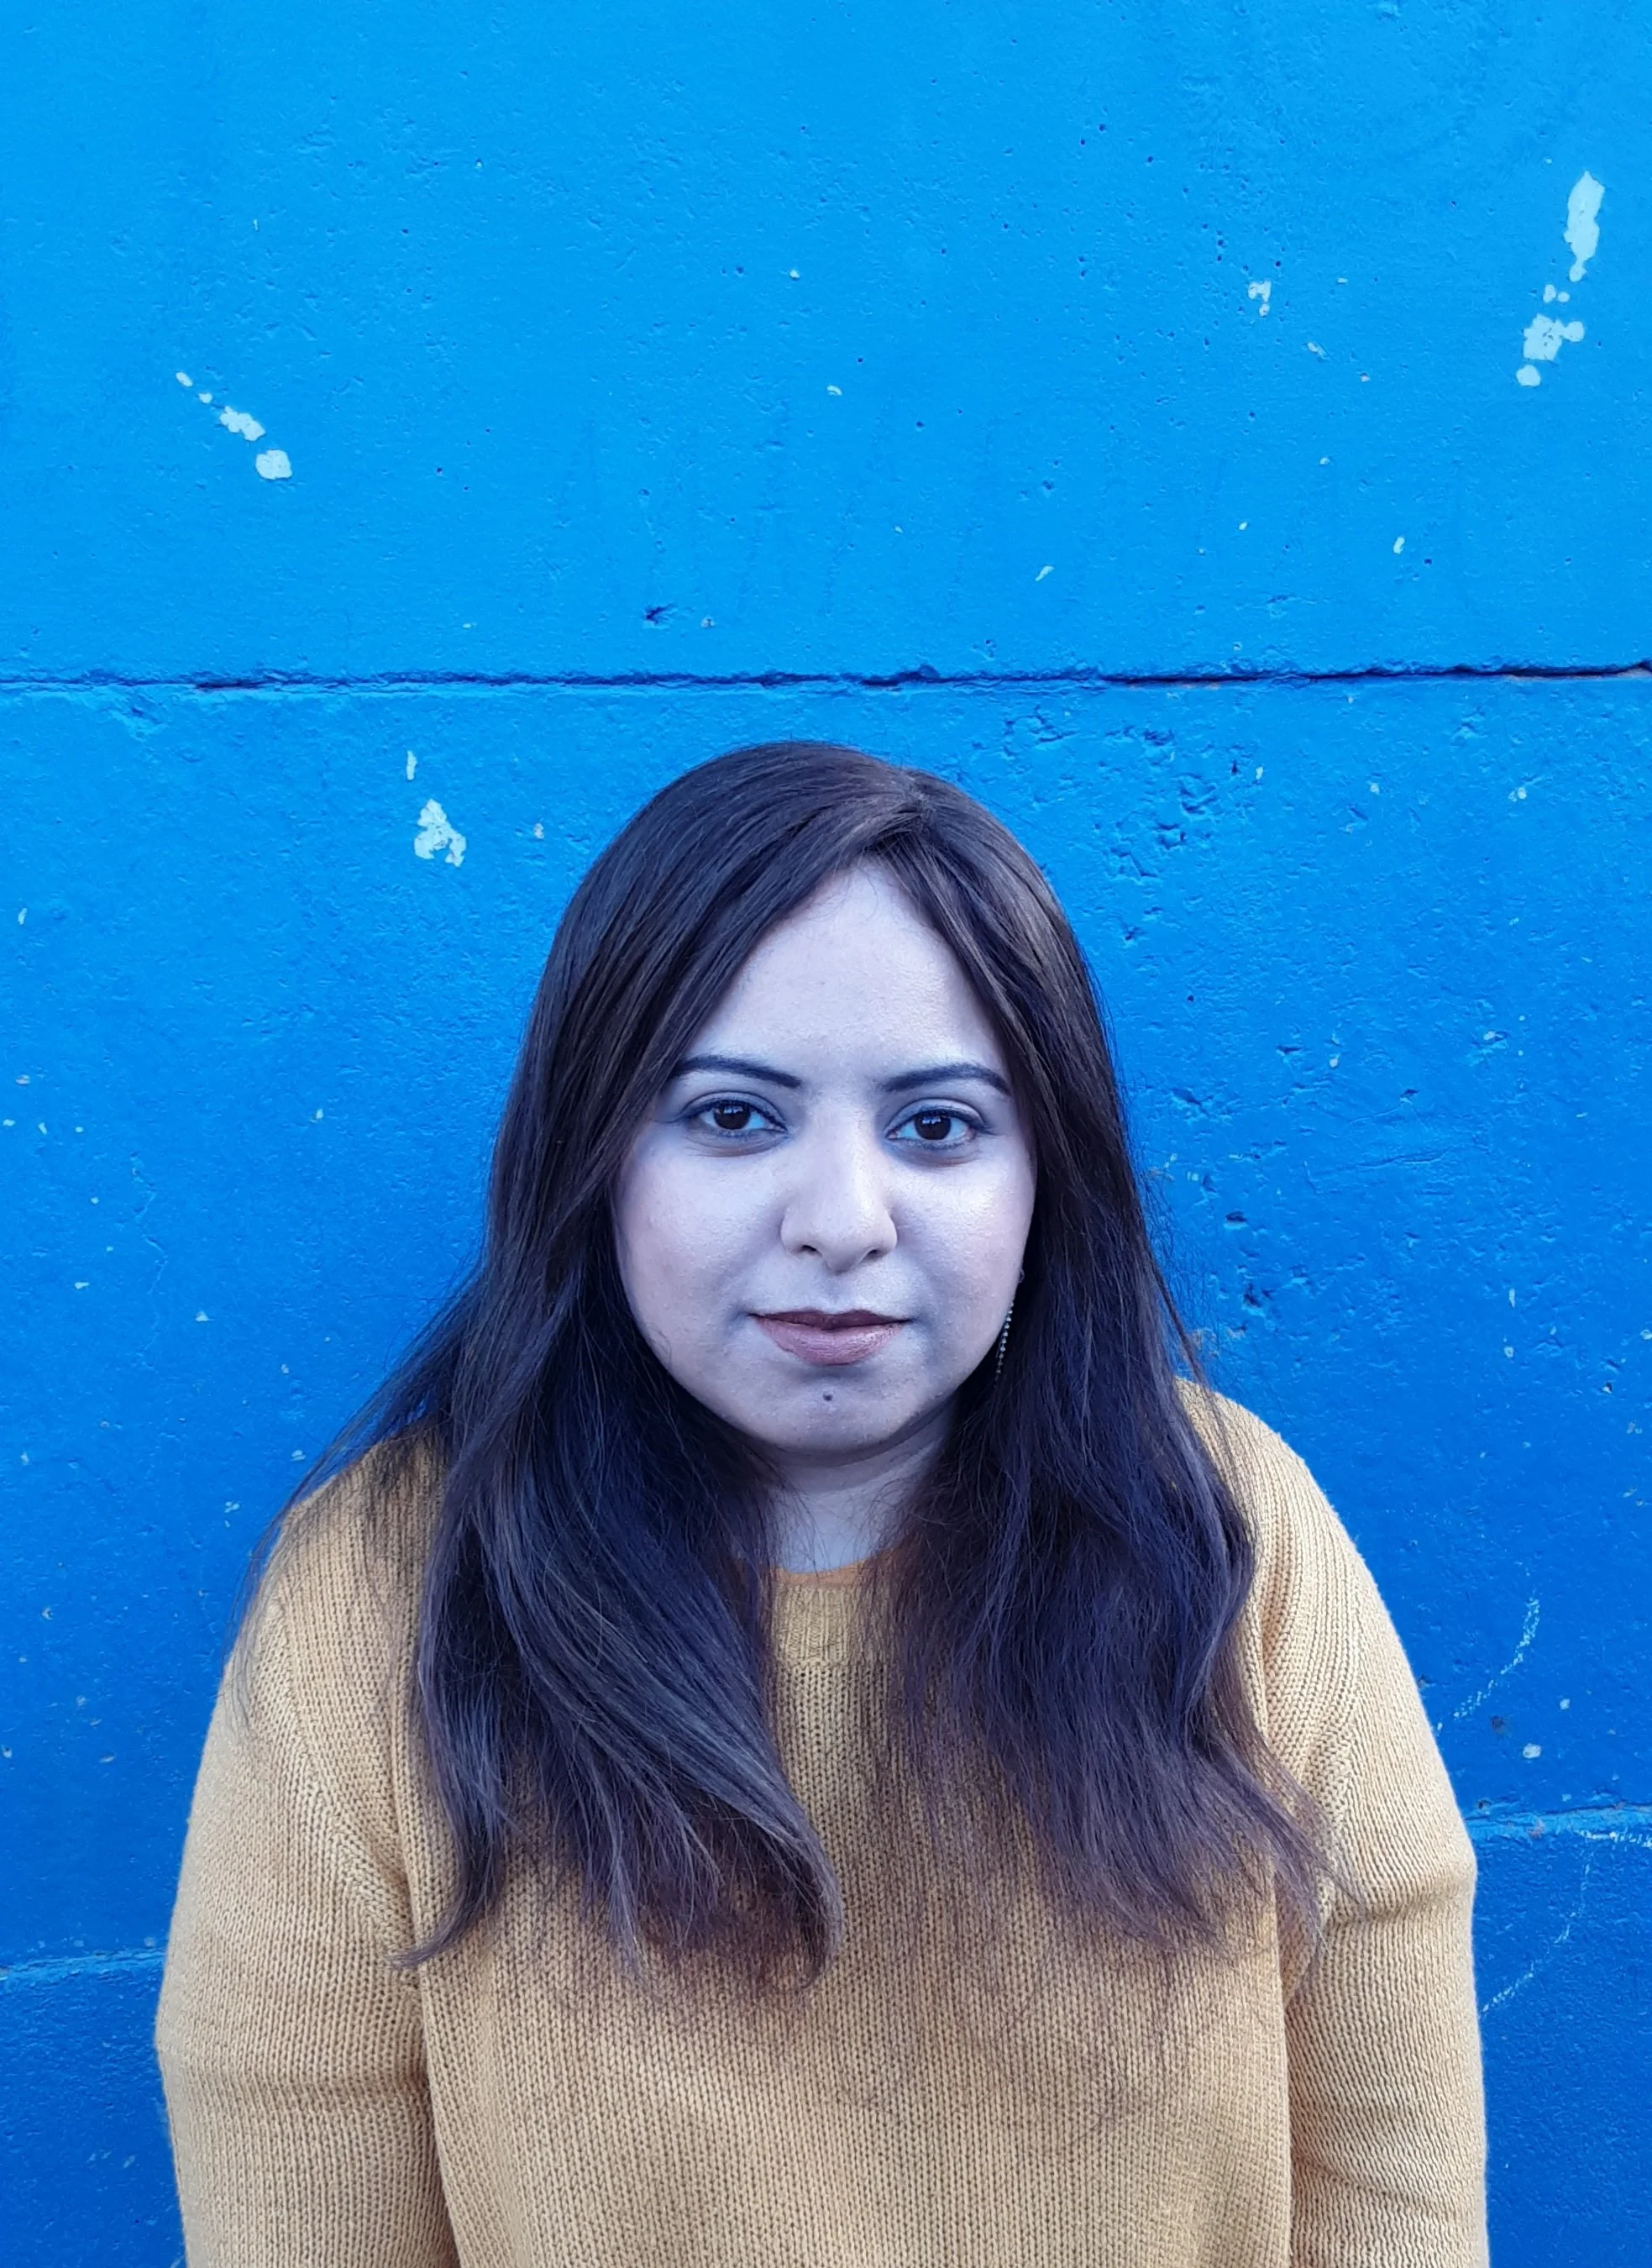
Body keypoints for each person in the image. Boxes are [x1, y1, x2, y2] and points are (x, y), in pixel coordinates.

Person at [155, 741, 1487, 2265]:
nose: (842, 1224)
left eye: (937, 1127)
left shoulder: (1226, 1532)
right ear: (593, 1155)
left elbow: (1389, 2184)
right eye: (733, 1117)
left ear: (1047, 1176)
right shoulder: (382, 1594)